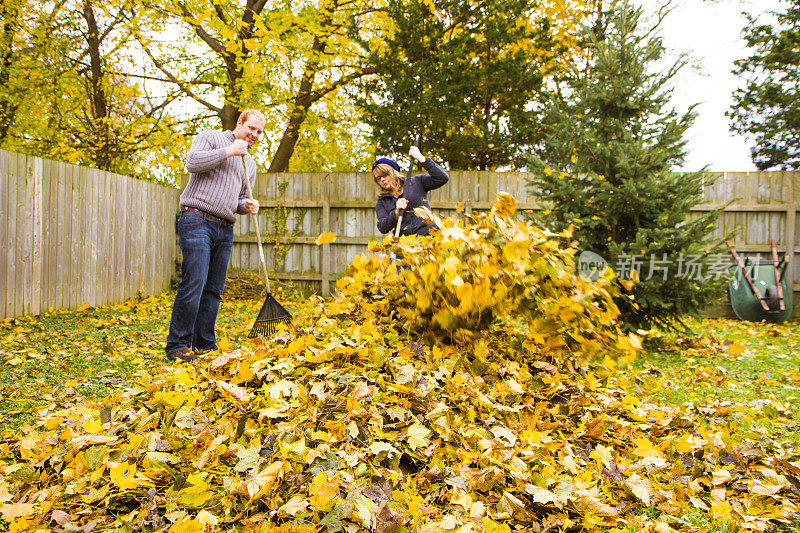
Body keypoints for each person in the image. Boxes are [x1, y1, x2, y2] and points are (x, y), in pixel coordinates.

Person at [165, 109, 265, 362]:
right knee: (195, 282)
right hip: (196, 218)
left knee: (213, 290)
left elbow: (240, 199)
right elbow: (193, 162)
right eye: (251, 128)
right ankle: (178, 346)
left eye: (259, 132)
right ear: (239, 123)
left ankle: (204, 345)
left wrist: (247, 205)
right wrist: (230, 150)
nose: (254, 134)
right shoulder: (210, 138)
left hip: (225, 227)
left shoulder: (249, 163)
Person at [373, 146, 449, 237]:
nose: (382, 179)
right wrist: (396, 212)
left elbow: (442, 178)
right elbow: (382, 227)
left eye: (385, 175)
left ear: (394, 172)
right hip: (406, 246)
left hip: (429, 239)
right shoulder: (382, 201)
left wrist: (421, 158)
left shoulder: (417, 182)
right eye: (378, 178)